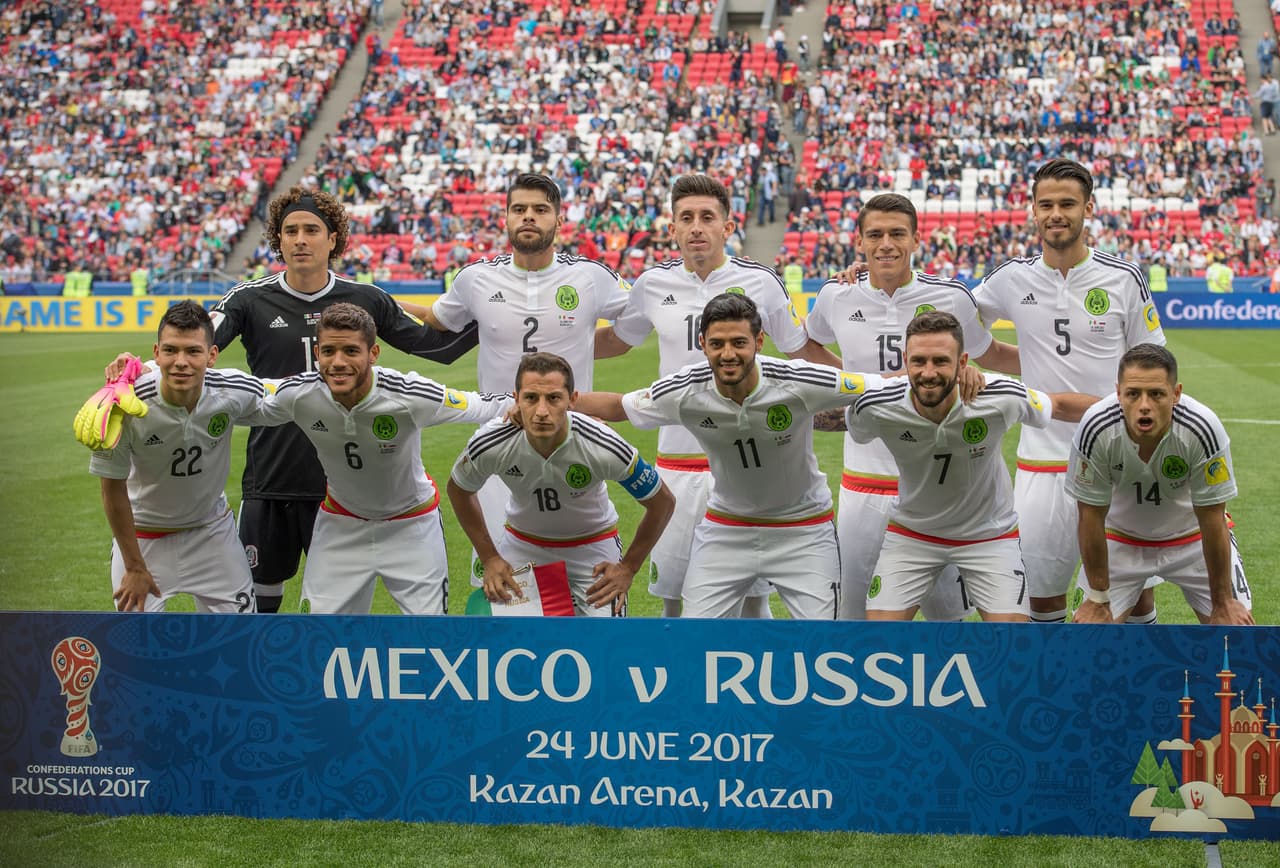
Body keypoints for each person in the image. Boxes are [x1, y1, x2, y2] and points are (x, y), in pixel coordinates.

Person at [109, 187, 479, 614]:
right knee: (260, 607)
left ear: (333, 239)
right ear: (278, 240)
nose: (300, 239)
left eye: (311, 230)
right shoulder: (248, 298)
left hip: (342, 488)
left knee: (330, 614)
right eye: (290, 231)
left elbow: (437, 349)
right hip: (274, 473)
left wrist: (490, 320)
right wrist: (137, 369)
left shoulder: (366, 299)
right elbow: (194, 346)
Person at [593, 174, 842, 618]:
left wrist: (872, 384)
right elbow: (618, 342)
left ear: (728, 227)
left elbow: (800, 348)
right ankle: (686, 683)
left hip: (748, 464)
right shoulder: (652, 284)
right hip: (679, 464)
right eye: (685, 218)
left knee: (751, 597)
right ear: (671, 228)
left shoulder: (761, 282)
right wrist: (547, 348)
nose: (696, 227)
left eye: (707, 217)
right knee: (675, 596)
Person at [578, 293, 885, 620]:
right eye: (717, 343)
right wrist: (550, 404)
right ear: (702, 343)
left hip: (803, 529)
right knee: (697, 635)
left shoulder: (798, 379)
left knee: (824, 643)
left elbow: (880, 387)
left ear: (760, 341)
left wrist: (940, 380)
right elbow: (618, 406)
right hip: (727, 529)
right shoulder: (685, 390)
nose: (728, 354)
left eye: (739, 342)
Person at [973, 158, 1167, 625]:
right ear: (1032, 212)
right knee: (1040, 600)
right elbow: (959, 324)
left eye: (1067, 203)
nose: (1056, 213)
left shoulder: (1123, 279)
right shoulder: (1009, 278)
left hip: (1118, 462)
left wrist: (1101, 410)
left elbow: (1153, 372)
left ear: (1088, 208)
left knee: (1134, 601)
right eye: (1046, 205)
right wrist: (859, 277)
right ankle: (1053, 695)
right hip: (1042, 467)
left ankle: (1134, 692)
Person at [413, 173, 631, 585]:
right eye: (519, 209)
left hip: (571, 441)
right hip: (499, 446)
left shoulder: (592, 277)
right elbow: (435, 321)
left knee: (577, 572)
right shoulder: (475, 278)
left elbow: (632, 328)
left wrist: (583, 345)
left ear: (559, 220)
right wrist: (373, 300)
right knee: (502, 583)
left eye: (540, 210)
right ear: (505, 219)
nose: (528, 217)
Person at [811, 193, 1019, 620]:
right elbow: (804, 345)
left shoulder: (953, 298)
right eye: (875, 235)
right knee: (854, 617)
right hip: (864, 486)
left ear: (916, 239)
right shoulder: (836, 294)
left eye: (896, 234)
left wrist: (1050, 364)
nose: (886, 243)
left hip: (938, 495)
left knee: (949, 623)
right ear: (860, 242)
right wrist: (861, 387)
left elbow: (987, 356)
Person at [250, 303, 512, 614]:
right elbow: (241, 399)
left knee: (429, 636)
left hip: (412, 527)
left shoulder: (409, 394)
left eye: (350, 351)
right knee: (318, 635)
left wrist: (542, 406)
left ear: (373, 353)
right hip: (340, 526)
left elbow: (481, 405)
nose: (338, 362)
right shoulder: (299, 394)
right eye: (329, 351)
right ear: (317, 352)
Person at [847, 312, 1098, 622]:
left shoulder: (1000, 395)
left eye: (941, 361)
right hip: (912, 534)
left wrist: (1122, 408)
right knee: (880, 635)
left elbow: (1057, 405)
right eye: (919, 361)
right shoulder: (875, 405)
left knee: (1014, 644)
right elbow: (843, 420)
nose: (928, 372)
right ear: (905, 360)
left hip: (989, 536)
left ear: (962, 362)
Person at [448, 352, 675, 616]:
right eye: (531, 398)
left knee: (605, 645)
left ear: (572, 400)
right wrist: (490, 558)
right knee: (504, 639)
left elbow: (662, 502)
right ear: (516, 398)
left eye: (554, 398)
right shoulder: (492, 441)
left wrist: (628, 568)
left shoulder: (602, 444)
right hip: (523, 546)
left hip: (593, 551)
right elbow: (459, 489)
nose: (542, 411)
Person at [89, 302, 259, 614]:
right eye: (171, 350)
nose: (181, 362)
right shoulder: (123, 405)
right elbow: (111, 489)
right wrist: (135, 568)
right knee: (135, 649)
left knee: (239, 641)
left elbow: (291, 397)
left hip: (212, 535)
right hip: (143, 539)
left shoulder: (233, 390)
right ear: (156, 352)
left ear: (212, 355)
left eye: (193, 351)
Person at [1066, 345, 1253, 625]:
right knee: (1088, 638)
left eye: (1156, 394)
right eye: (1133, 394)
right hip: (1121, 539)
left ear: (1175, 394)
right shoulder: (1096, 427)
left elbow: (1213, 518)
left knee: (1235, 637)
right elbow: (1090, 517)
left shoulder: (1203, 428)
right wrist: (1098, 597)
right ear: (1118, 393)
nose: (1144, 405)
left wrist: (1223, 600)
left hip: (1192, 540)